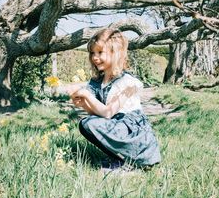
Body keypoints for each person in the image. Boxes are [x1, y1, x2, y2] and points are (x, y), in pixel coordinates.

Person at [69, 28, 161, 169]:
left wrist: (87, 95)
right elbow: (99, 115)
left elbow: (108, 112)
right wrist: (84, 105)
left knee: (89, 124)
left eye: (100, 52)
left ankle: (132, 162)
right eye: (92, 53)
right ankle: (119, 159)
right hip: (117, 127)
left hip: (134, 133)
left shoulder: (127, 82)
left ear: (115, 53)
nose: (95, 57)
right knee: (86, 124)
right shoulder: (97, 81)